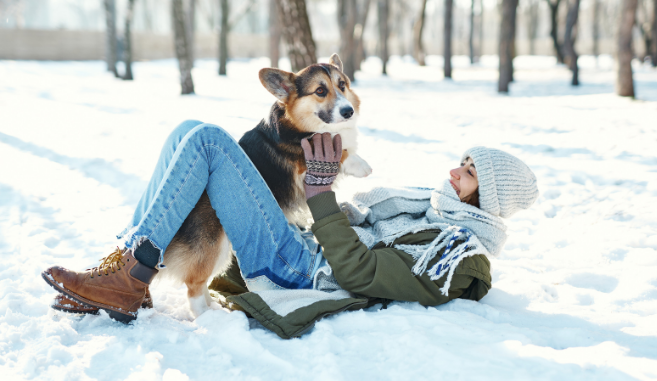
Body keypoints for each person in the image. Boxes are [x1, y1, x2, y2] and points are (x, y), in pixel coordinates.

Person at [42, 121, 538, 332]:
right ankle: (124, 266)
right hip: (297, 245)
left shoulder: (457, 256)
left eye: (469, 172)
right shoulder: (426, 208)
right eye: (462, 161)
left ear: (490, 197)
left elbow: (361, 274)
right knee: (186, 133)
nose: (454, 172)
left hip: (301, 270)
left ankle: (130, 276)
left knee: (211, 142)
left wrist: (321, 195)